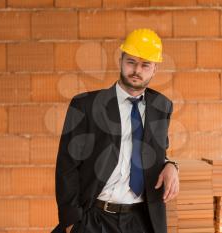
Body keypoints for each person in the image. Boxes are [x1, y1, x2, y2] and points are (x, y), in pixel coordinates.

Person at [52, 28, 179, 233]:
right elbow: (67, 166)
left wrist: (172, 165)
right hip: (95, 219)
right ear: (121, 60)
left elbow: (157, 152)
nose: (137, 70)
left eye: (145, 64)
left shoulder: (162, 106)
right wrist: (71, 220)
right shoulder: (85, 105)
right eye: (131, 62)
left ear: (154, 69)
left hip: (141, 220)